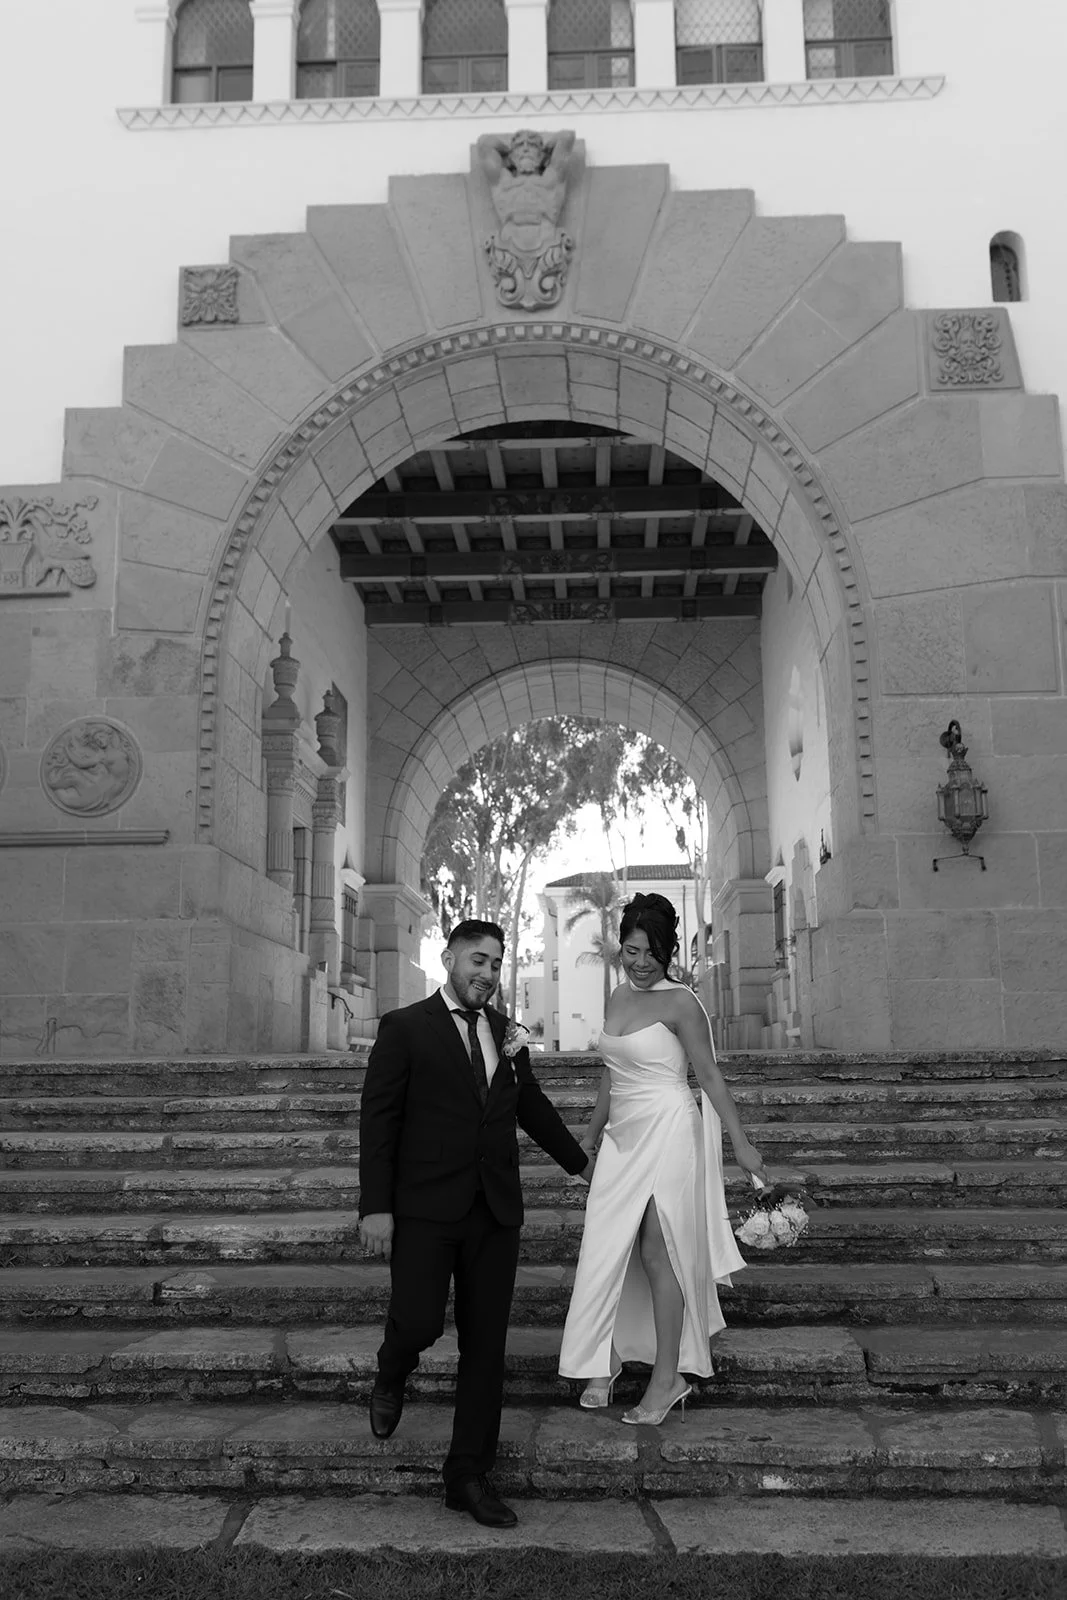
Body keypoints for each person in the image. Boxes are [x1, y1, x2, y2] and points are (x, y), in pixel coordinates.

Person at [359, 919, 595, 1528]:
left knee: (486, 1350)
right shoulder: (405, 1028)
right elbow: (378, 1124)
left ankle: (467, 1475)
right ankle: (393, 1366)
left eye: (495, 965)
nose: (486, 975)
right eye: (477, 962)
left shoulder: (505, 1033)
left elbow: (530, 1107)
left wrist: (581, 1163)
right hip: (423, 1211)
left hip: (494, 1212)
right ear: (450, 958)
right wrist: (375, 1207)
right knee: (414, 1322)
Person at [558, 893, 766, 1424]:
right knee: (608, 1245)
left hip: (670, 1131)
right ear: (620, 949)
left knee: (657, 1249)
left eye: (652, 952)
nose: (641, 962)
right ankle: (602, 1357)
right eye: (631, 951)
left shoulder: (682, 1003)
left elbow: (710, 1076)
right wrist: (590, 1132)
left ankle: (668, 1376)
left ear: (668, 949)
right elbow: (612, 1070)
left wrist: (740, 1143)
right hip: (624, 1137)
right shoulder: (616, 997)